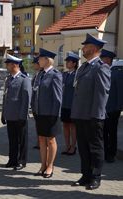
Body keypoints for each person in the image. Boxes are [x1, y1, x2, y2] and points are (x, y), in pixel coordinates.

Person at [71, 34, 110, 190]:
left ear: (93, 49)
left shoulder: (102, 67)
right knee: (83, 147)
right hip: (81, 115)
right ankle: (85, 175)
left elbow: (102, 94)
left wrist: (96, 115)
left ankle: (95, 177)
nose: (82, 49)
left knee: (95, 148)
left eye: (85, 46)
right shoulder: (84, 67)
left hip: (93, 116)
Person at [34, 48, 62, 178]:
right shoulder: (40, 74)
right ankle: (43, 165)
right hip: (40, 113)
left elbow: (57, 97)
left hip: (51, 114)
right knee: (41, 139)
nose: (38, 60)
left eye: (40, 58)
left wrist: (55, 115)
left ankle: (50, 166)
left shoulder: (55, 74)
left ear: (47, 60)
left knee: (50, 140)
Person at [1, 54, 32, 171]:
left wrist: (23, 115)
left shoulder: (24, 79)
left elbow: (26, 98)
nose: (7, 66)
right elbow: (6, 98)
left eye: (8, 64)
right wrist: (4, 113)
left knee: (22, 140)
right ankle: (12, 159)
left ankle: (21, 161)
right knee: (12, 139)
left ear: (15, 65)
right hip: (10, 115)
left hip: (20, 115)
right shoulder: (9, 79)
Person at [101, 49, 123, 163]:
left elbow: (120, 91)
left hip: (113, 108)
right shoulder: (102, 71)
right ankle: (104, 152)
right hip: (102, 108)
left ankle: (111, 153)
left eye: (103, 58)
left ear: (108, 59)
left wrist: (119, 107)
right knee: (103, 132)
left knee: (112, 132)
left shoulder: (117, 73)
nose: (102, 60)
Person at [61, 52, 79, 155]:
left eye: (69, 62)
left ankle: (73, 147)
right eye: (67, 61)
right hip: (64, 104)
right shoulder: (65, 74)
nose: (67, 63)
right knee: (65, 125)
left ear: (74, 63)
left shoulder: (77, 75)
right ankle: (67, 146)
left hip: (73, 105)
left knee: (73, 126)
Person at [30, 57, 41, 150]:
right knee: (37, 124)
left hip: (40, 105)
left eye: (35, 63)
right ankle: (38, 141)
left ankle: (40, 142)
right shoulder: (36, 74)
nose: (33, 65)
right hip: (34, 105)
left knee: (40, 125)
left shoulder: (41, 75)